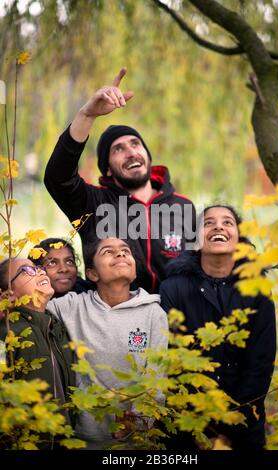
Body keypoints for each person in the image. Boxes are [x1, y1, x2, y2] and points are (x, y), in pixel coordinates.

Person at [44, 68, 196, 293]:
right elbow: (58, 177)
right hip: (116, 322)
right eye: (119, 149)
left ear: (146, 154)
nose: (131, 152)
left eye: (136, 144)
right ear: (107, 168)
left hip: (174, 322)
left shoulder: (183, 206)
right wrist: (87, 115)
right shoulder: (93, 204)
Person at [159, 205, 276, 450]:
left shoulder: (257, 287)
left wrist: (230, 427)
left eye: (227, 222)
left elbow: (260, 364)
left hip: (245, 421)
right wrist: (205, 429)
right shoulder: (173, 288)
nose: (218, 227)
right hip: (188, 423)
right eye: (208, 223)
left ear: (239, 238)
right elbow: (173, 360)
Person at [46, 237, 168, 449]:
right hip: (84, 436)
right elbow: (32, 306)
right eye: (108, 252)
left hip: (135, 440)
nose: (120, 254)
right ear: (92, 274)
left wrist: (138, 423)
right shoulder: (74, 306)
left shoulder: (153, 313)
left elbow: (156, 377)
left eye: (125, 251)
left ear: (135, 271)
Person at [0, 257, 76, 448]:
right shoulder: (7, 333)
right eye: (27, 270)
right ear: (9, 294)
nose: (40, 272)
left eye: (38, 267)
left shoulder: (57, 327)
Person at [28, 237, 93, 297]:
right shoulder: (25, 303)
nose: (64, 269)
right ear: (36, 270)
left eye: (69, 262)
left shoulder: (91, 296)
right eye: (52, 263)